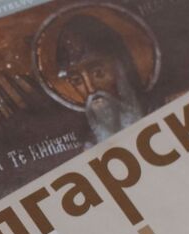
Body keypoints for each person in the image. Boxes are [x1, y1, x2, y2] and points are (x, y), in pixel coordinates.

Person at [53, 14, 148, 145]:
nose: (90, 89)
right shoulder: (89, 145)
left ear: (121, 67)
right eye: (77, 81)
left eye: (98, 73)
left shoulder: (159, 107)